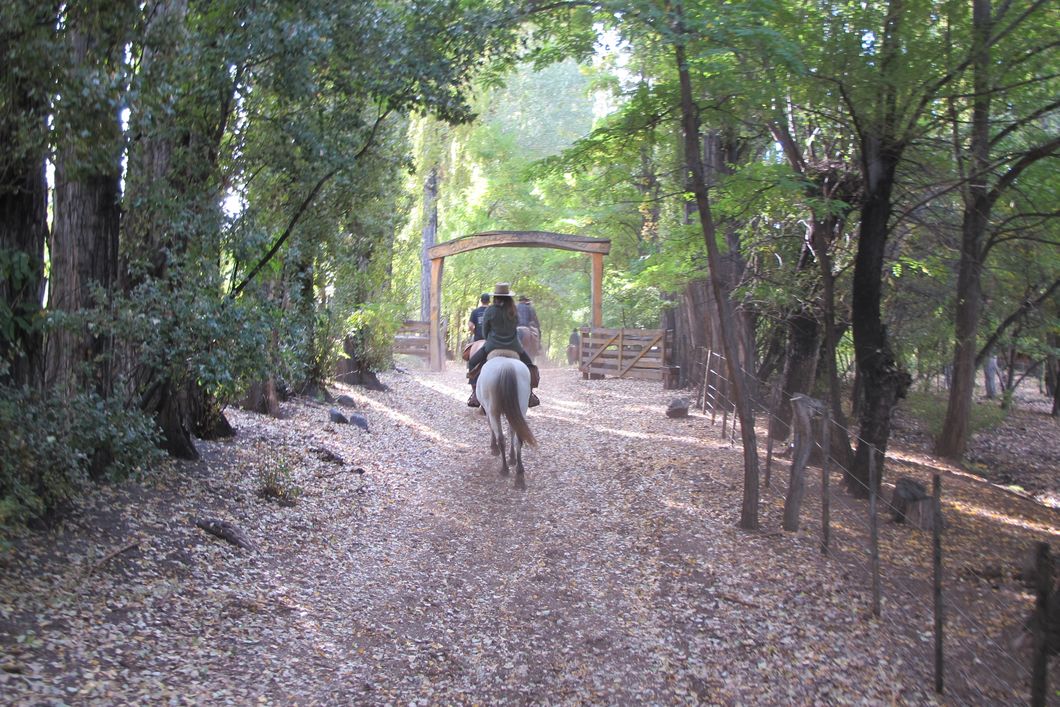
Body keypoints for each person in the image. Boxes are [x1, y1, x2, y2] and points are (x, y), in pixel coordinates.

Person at [467, 283, 540, 408]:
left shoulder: (490, 310)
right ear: (508, 297)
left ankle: (475, 395)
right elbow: (515, 329)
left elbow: (485, 332)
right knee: (531, 366)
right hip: (514, 347)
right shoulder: (513, 310)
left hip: (492, 346)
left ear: (495, 297)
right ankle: (530, 395)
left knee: (472, 362)